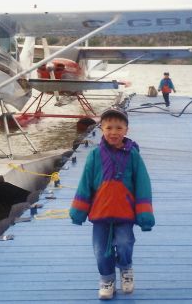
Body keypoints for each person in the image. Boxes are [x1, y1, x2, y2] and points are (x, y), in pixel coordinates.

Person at [70, 107, 155, 300]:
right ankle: (107, 279)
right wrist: (78, 211)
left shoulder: (133, 155)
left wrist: (144, 214)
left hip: (125, 212)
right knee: (101, 251)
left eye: (119, 128)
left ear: (126, 130)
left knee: (125, 243)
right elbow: (86, 183)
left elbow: (142, 184)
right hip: (100, 213)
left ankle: (126, 268)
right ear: (101, 129)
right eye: (109, 127)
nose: (114, 132)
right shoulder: (94, 155)